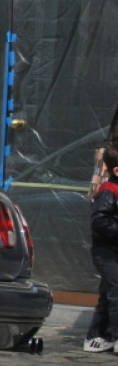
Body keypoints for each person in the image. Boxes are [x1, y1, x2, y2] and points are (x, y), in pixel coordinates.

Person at [84, 142, 118, 352]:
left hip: (113, 251)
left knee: (108, 293)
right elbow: (99, 221)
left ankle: (95, 337)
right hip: (107, 253)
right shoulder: (108, 192)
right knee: (116, 291)